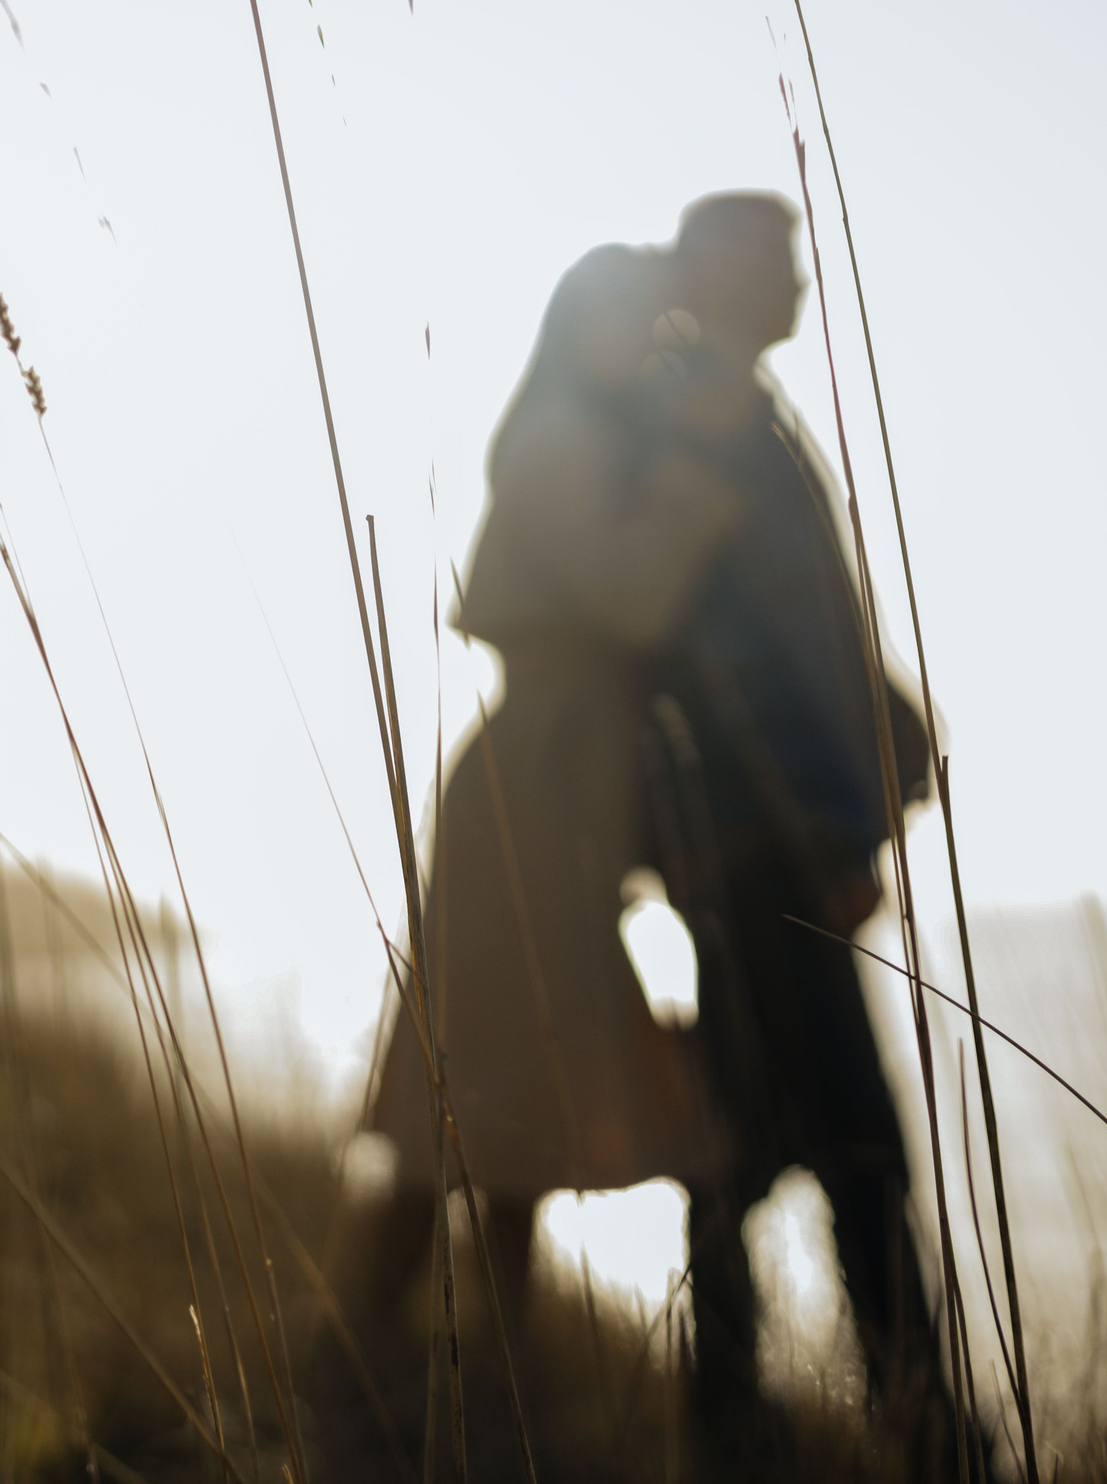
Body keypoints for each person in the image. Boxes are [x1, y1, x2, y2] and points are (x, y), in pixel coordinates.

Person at [356, 239, 746, 1328]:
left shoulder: (603, 434)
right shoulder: (561, 439)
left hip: (570, 777)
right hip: (536, 780)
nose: (641, 337)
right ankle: (376, 1348)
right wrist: (693, 480)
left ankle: (468, 1357)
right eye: (617, 316)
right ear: (575, 328)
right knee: (479, 1062)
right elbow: (629, 600)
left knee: (512, 1069)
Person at [632, 192, 954, 1461]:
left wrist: (895, 742)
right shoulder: (704, 423)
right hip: (765, 851)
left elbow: (802, 637)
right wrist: (829, 833)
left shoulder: (734, 415)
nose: (804, 285)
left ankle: (740, 1417)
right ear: (718, 279)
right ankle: (911, 1422)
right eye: (780, 264)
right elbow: (731, 663)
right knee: (854, 1149)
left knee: (757, 1136)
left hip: (760, 845)